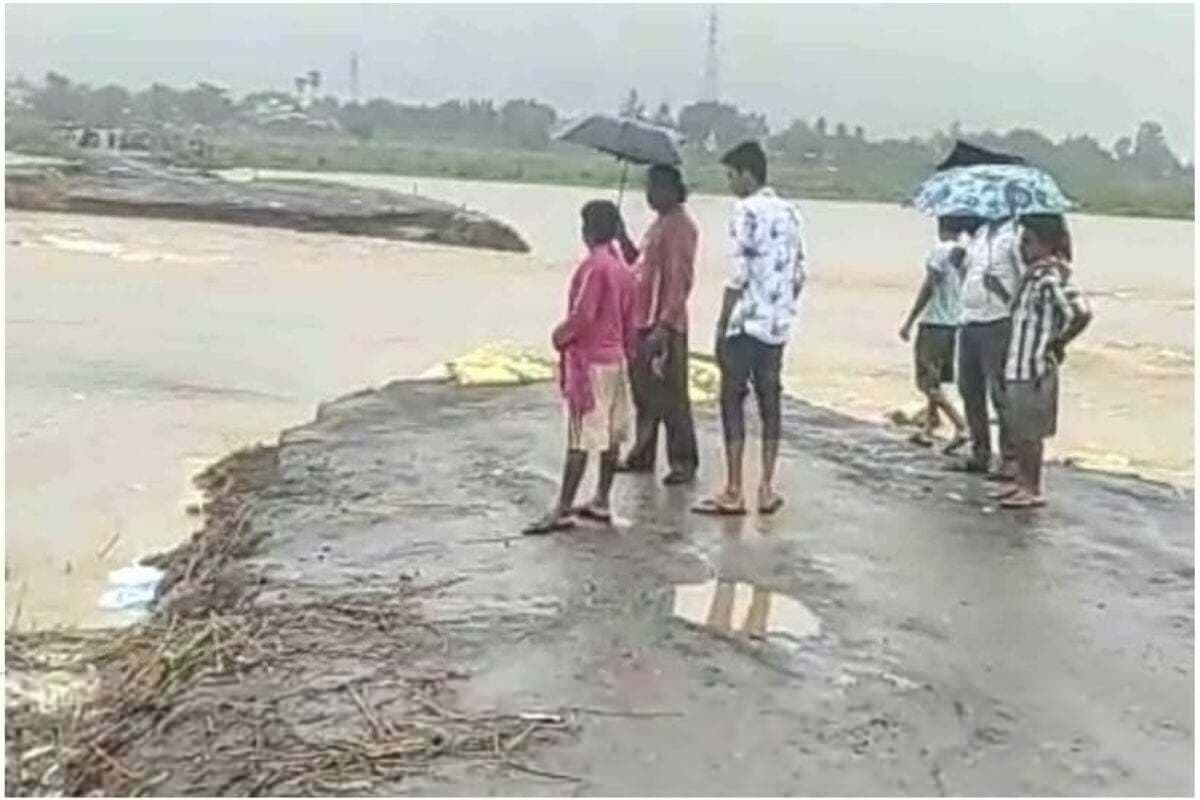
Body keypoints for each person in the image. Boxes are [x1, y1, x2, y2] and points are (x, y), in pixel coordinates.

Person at [693, 140, 807, 517]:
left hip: (745, 324)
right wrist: (783, 308)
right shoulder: (791, 212)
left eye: (730, 176)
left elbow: (738, 273)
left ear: (746, 174)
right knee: (771, 402)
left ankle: (734, 488)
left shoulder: (745, 211)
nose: (729, 184)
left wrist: (722, 322)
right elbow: (799, 273)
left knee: (732, 401)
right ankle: (767, 487)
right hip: (777, 325)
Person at [524, 200, 637, 534]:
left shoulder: (594, 267)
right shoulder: (623, 270)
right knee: (610, 436)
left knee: (580, 438)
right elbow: (631, 321)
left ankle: (562, 507)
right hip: (617, 360)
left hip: (590, 364)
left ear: (588, 230)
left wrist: (559, 336)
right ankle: (602, 498)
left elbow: (583, 315)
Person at [994, 214, 1092, 509]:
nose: (1023, 249)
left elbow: (1080, 312)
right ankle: (1022, 482)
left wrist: (1058, 342)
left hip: (1034, 365)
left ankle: (1032, 487)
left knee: (1030, 432)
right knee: (1019, 428)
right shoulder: (1034, 276)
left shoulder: (1051, 276)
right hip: (1019, 362)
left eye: (1028, 242)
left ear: (1046, 244)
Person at [617, 164, 701, 485]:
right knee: (645, 393)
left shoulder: (680, 227)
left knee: (672, 396)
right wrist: (622, 236)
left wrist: (664, 326)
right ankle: (643, 452)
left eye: (653, 188)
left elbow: (680, 280)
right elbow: (638, 266)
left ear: (670, 188)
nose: (648, 194)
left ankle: (683, 460)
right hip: (644, 319)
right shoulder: (659, 225)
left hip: (664, 324)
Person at [956, 215, 1023, 478]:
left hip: (998, 321)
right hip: (969, 319)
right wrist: (960, 266)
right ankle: (979, 452)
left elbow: (1026, 280)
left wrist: (1003, 292)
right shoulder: (979, 235)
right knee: (969, 390)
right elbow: (969, 276)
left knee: (1000, 392)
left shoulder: (1015, 237)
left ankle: (1010, 458)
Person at [899, 216, 969, 453]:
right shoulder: (966, 254)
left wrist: (910, 320)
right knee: (936, 377)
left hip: (934, 322)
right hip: (954, 322)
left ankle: (960, 425)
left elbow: (928, 287)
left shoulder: (939, 251)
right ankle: (929, 427)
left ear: (941, 227)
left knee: (926, 380)